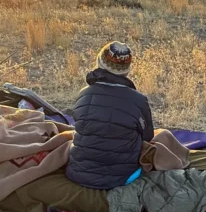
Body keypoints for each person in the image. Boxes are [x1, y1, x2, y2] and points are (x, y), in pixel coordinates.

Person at [65, 42, 154, 190]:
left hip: (77, 174)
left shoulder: (84, 94)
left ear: (99, 62)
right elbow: (148, 136)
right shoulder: (138, 100)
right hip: (122, 178)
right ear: (127, 71)